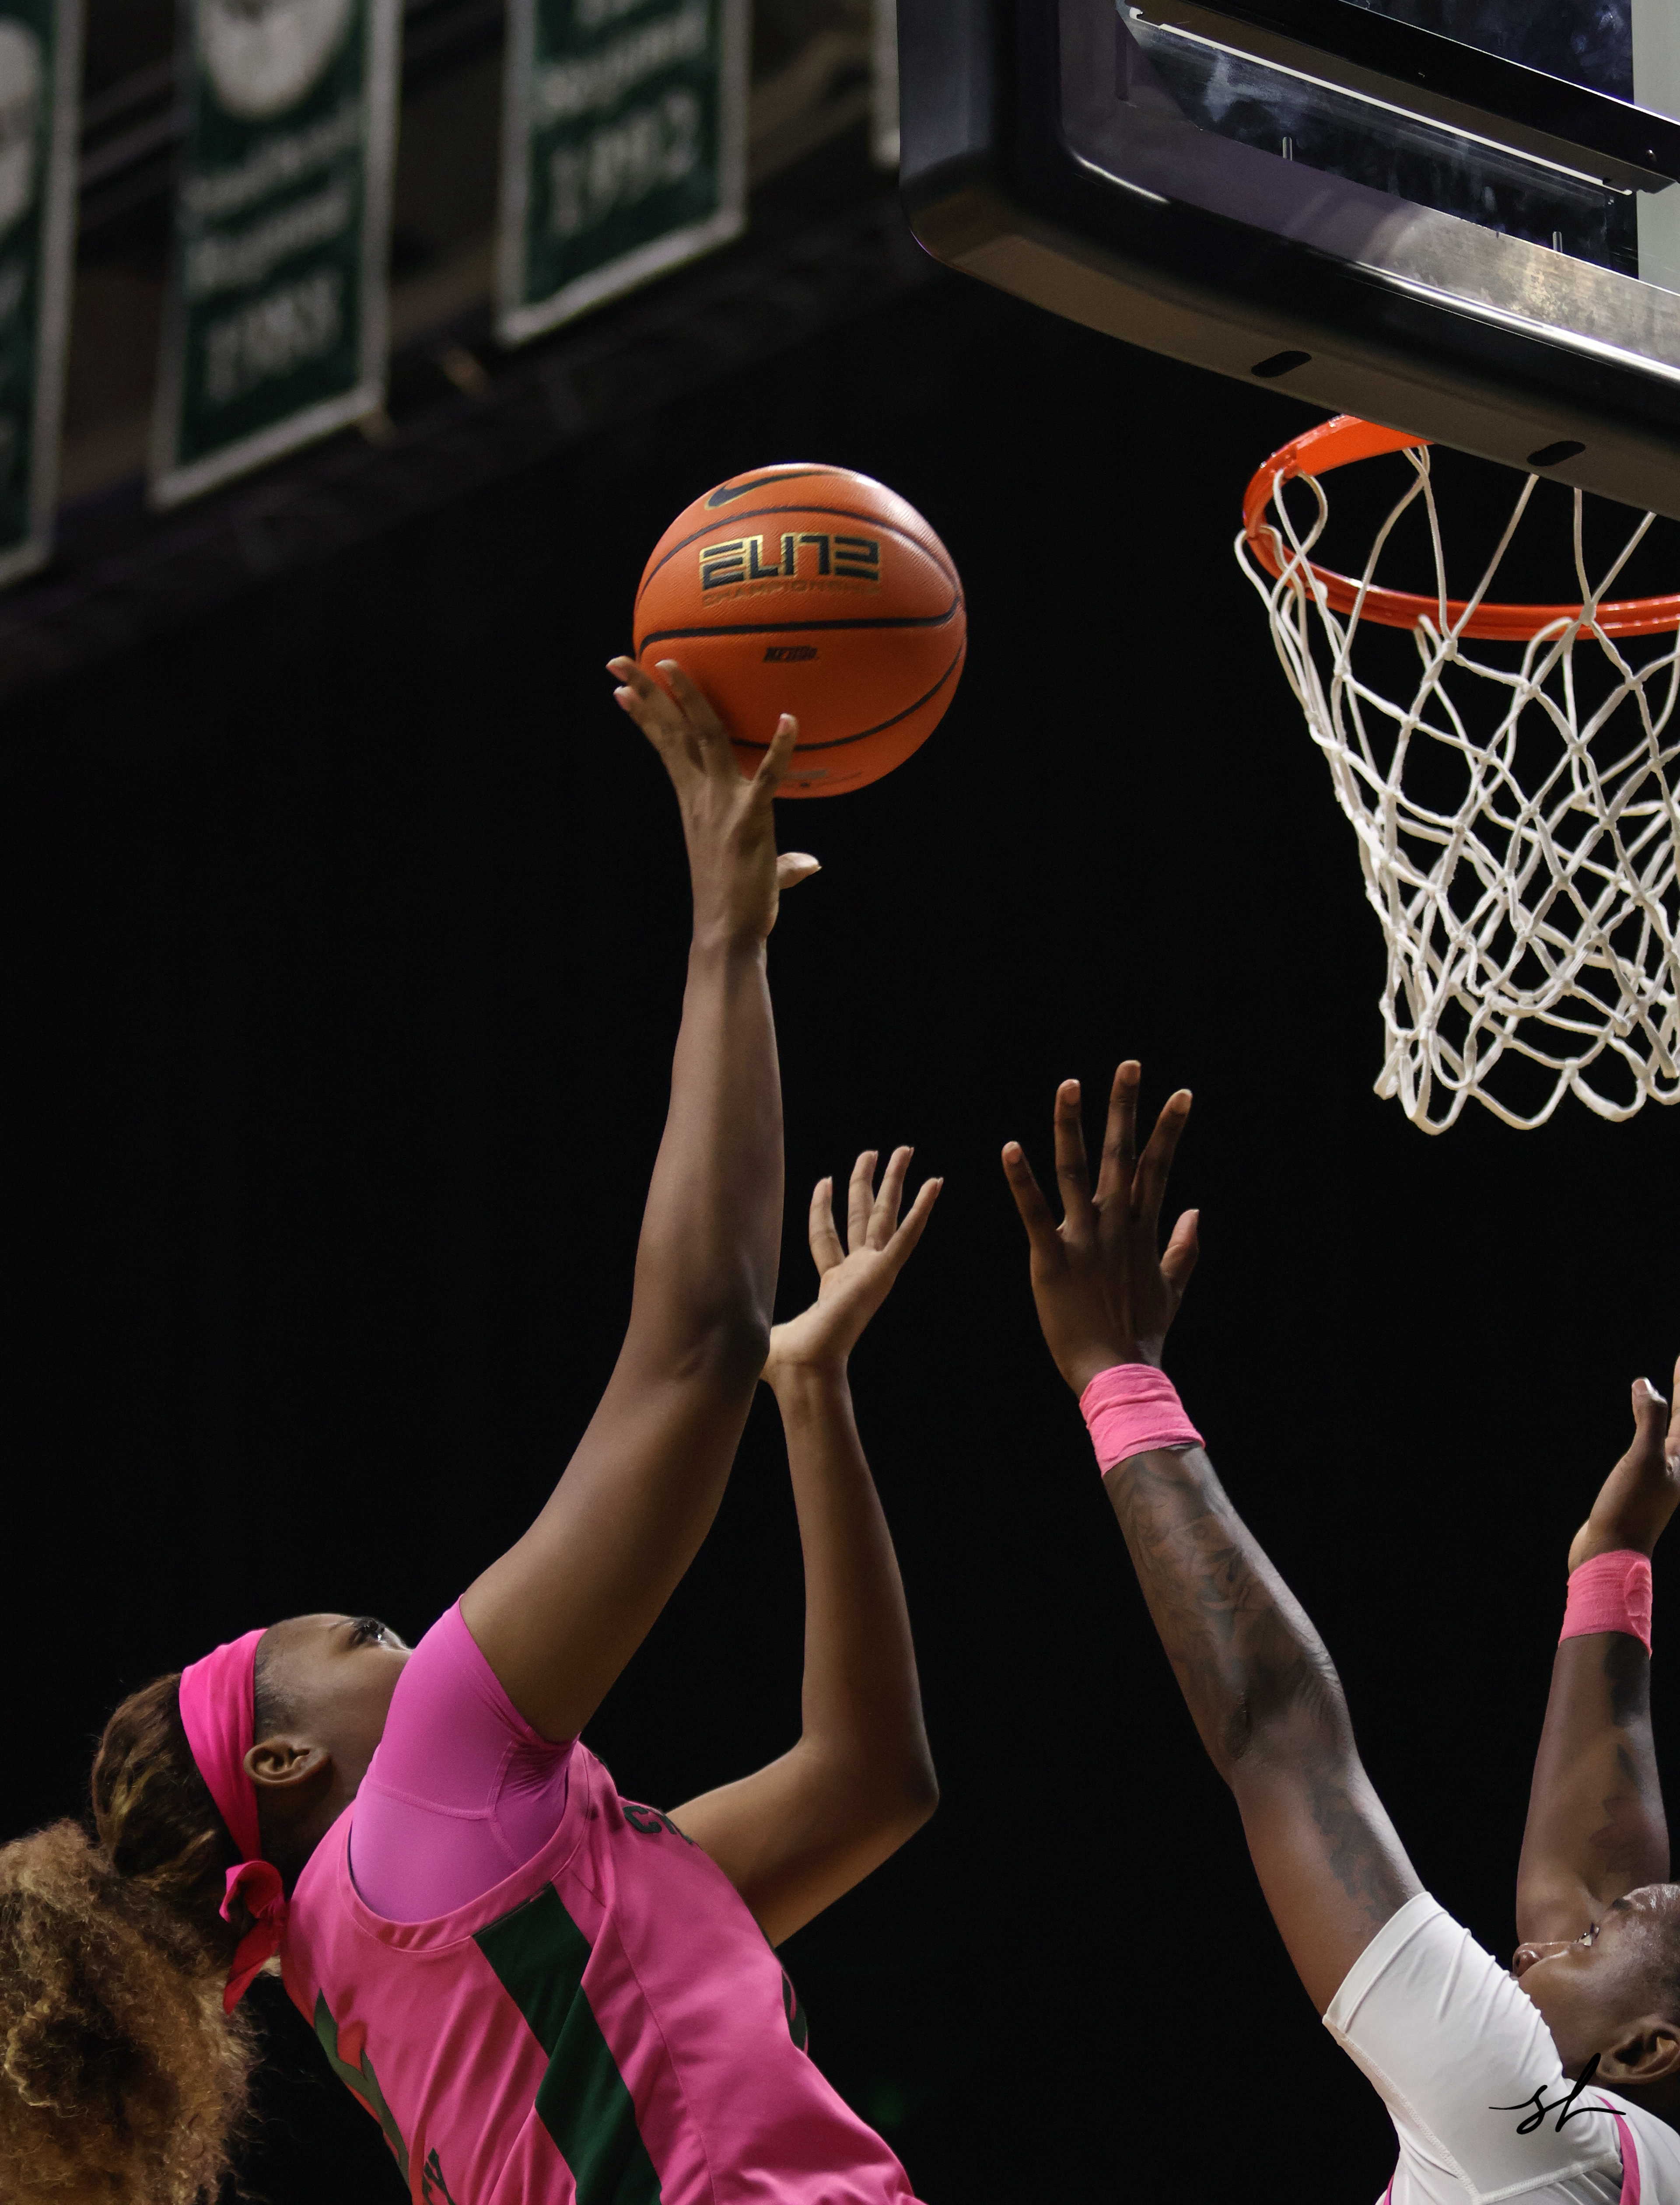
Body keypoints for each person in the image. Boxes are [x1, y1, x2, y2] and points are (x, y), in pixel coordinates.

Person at [0, 661, 942, 2205]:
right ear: (290, 1759)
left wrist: (813, 1396)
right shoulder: (425, 1802)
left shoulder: (404, 1954)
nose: (414, 1641)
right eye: (367, 1634)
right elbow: (687, 1355)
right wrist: (726, 936)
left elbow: (870, 1781)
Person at [1004, 1057, 1680, 2205]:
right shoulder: (1640, 2157)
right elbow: (1588, 1881)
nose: (1541, 1940)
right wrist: (1610, 1571)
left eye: (1585, 1945)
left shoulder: (1521, 2123)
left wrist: (1114, 1376)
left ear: (1647, 2051)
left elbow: (1281, 1738)